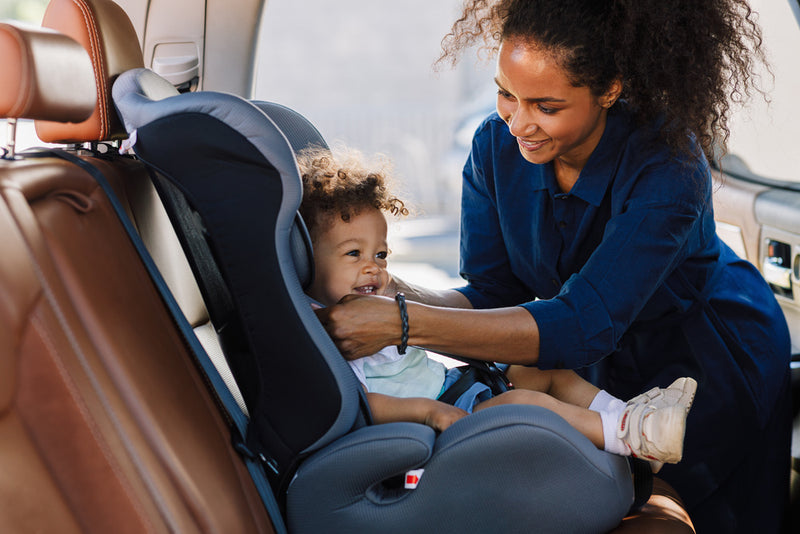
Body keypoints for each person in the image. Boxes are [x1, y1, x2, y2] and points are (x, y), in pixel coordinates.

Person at [315, 1, 792, 533]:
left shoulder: (667, 164)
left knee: (710, 514)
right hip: (582, 366)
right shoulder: (495, 148)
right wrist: (386, 296)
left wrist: (403, 324)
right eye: (505, 94)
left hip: (702, 358)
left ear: (609, 89)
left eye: (545, 105)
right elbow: (495, 293)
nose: (518, 122)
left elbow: (585, 322)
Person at [299, 146, 697, 471]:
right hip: (438, 424)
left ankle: (630, 420)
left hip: (456, 392)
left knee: (544, 371)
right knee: (523, 404)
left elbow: (573, 318)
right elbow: (356, 402)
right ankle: (628, 435)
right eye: (354, 254)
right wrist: (428, 412)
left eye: (381, 254)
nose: (374, 266)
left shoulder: (373, 303)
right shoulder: (327, 330)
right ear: (305, 258)